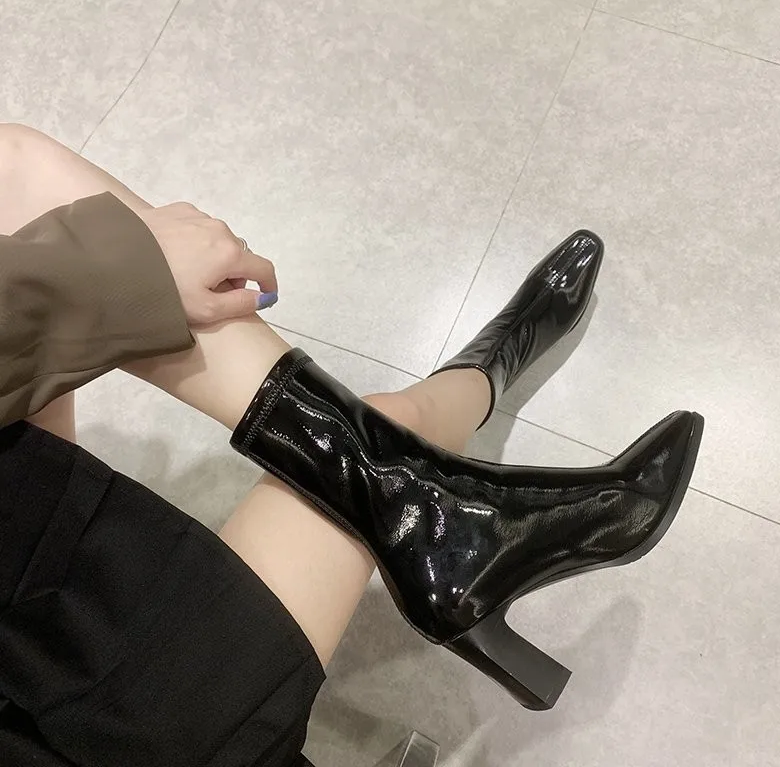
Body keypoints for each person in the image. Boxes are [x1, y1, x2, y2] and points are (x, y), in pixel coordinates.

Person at [0, 124, 703, 767]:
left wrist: (95, 278)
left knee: (14, 173)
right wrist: (106, 279)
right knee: (394, 425)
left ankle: (437, 495)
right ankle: (473, 416)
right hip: (116, 732)